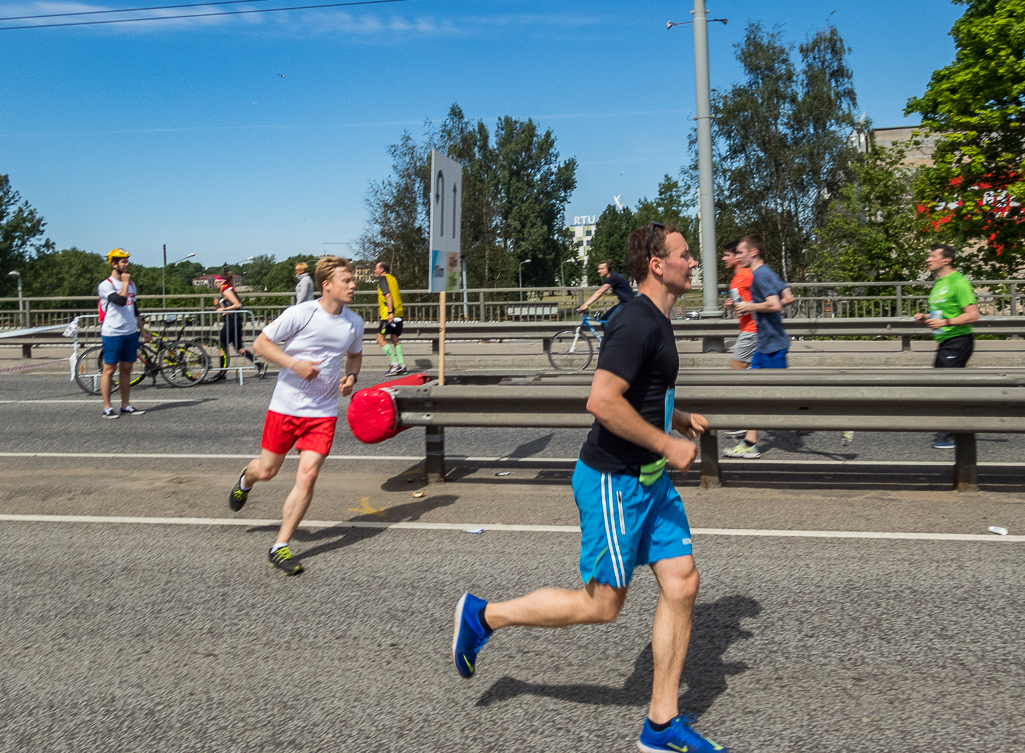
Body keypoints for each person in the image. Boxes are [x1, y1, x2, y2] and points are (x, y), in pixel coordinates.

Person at [452, 222, 730, 753]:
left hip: (650, 485)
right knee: (603, 605)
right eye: (684, 254)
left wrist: (679, 420)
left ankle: (660, 724)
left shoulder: (660, 320)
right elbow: (602, 401)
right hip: (614, 482)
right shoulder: (635, 322)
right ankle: (483, 616)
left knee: (683, 584)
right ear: (656, 263)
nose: (693, 262)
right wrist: (670, 447)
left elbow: (644, 395)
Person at [229, 256, 364, 575]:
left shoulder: (354, 322)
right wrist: (295, 365)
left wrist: (352, 378)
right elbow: (261, 344)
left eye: (353, 279)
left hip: (323, 412)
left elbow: (355, 356)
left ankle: (280, 546)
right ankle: (246, 480)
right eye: (347, 280)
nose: (353, 284)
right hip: (286, 406)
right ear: (327, 284)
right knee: (267, 471)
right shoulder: (301, 313)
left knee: (308, 475)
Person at [726, 235, 792, 459]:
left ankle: (839, 414)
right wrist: (756, 306)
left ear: (753, 252)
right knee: (756, 394)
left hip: (771, 345)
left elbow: (773, 305)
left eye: (740, 252)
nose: (737, 256)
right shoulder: (768, 273)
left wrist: (749, 305)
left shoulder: (759, 276)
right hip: (767, 343)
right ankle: (750, 443)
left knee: (786, 396)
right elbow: (788, 298)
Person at [914, 243, 979, 449]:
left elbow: (972, 315)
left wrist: (945, 323)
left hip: (958, 340)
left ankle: (950, 434)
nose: (928, 260)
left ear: (947, 259)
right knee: (942, 385)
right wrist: (926, 317)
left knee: (946, 386)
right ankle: (954, 429)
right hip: (945, 341)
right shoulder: (939, 283)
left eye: (932, 256)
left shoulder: (958, 282)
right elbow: (943, 313)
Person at [97, 248, 149, 420]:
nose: (127, 264)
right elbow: (119, 301)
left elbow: (134, 307)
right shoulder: (106, 285)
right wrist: (125, 283)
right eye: (123, 262)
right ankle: (107, 407)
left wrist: (142, 329)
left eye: (127, 261)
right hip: (113, 332)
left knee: (126, 369)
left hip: (130, 331)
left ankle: (125, 405)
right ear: (113, 264)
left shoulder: (132, 285)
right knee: (110, 369)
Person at [214, 267, 263, 376]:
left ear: (221, 282)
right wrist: (218, 305)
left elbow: (237, 305)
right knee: (239, 349)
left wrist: (223, 309)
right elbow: (226, 309)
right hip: (233, 321)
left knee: (221, 346)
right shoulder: (225, 291)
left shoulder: (227, 291)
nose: (215, 283)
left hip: (232, 322)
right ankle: (259, 365)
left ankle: (222, 373)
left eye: (216, 281)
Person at [375, 261, 407, 376]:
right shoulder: (393, 278)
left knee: (380, 338)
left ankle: (394, 364)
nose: (375, 271)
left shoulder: (383, 279)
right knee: (394, 338)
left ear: (382, 269)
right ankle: (402, 365)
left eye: (376, 268)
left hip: (388, 314)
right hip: (399, 312)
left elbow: (388, 295)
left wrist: (390, 312)